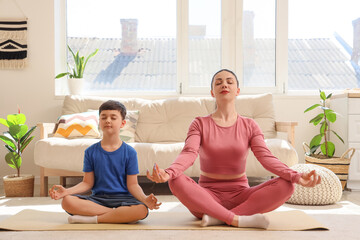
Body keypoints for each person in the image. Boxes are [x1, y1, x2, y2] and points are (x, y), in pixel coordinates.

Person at [147, 69, 321, 229]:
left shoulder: (250, 125)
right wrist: (169, 173)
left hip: (242, 196)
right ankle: (236, 219)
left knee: (286, 185)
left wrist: (296, 176)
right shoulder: (199, 123)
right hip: (206, 198)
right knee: (175, 181)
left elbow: (266, 157)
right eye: (218, 82)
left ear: (237, 90)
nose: (224, 84)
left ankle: (218, 218)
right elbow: (189, 153)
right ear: (212, 92)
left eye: (230, 82)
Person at [49, 100, 161, 224]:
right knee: (67, 201)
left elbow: (133, 185)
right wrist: (67, 191)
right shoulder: (90, 152)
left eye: (113, 118)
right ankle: (117, 215)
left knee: (142, 210)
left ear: (122, 123)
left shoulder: (130, 152)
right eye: (104, 117)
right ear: (99, 122)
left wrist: (144, 199)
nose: (108, 120)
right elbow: (87, 183)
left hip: (124, 199)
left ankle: (95, 219)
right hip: (98, 199)